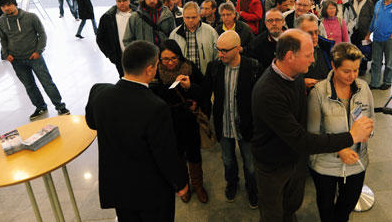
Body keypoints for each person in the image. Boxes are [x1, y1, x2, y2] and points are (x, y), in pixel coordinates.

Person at [251, 29, 374, 222]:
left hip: (294, 159)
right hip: (274, 165)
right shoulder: (268, 93)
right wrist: (350, 137)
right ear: (290, 56)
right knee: (273, 213)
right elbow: (302, 139)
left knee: (291, 206)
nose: (313, 60)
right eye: (308, 55)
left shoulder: (295, 75)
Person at [85, 41, 189, 221]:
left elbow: (92, 123)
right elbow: (165, 153)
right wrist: (180, 183)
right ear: (149, 69)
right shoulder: (156, 107)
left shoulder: (99, 93)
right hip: (151, 192)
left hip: (119, 188)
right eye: (157, 65)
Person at [307, 42, 374, 222]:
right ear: (334, 66)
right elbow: (312, 136)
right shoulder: (318, 93)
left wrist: (368, 132)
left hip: (357, 163)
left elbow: (370, 120)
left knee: (346, 207)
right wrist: (340, 149)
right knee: (326, 208)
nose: (352, 76)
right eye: (346, 71)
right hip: (325, 166)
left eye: (356, 70)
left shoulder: (363, 89)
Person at [202, 31, 261, 208]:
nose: (220, 54)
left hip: (246, 125)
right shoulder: (214, 67)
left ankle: (253, 189)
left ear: (238, 49)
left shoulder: (254, 67)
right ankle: (232, 183)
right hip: (224, 123)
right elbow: (204, 92)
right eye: (218, 49)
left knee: (250, 164)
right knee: (227, 160)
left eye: (225, 50)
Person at [150, 39, 209, 204]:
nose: (170, 63)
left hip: (189, 119)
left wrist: (191, 89)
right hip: (167, 123)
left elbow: (204, 90)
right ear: (159, 59)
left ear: (180, 56)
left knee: (194, 154)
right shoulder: (155, 73)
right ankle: (184, 186)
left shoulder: (189, 67)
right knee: (177, 157)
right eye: (165, 59)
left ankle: (198, 185)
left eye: (174, 58)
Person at [0, 0, 70, 120]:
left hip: (34, 57)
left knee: (47, 82)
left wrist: (39, 51)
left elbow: (42, 34)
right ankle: (40, 107)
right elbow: (3, 38)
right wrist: (6, 53)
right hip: (16, 60)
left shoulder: (30, 17)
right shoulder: (2, 20)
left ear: (15, 4)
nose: (6, 8)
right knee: (29, 86)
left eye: (8, 5)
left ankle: (60, 106)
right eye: (3, 6)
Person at [169, 1, 219, 74]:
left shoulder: (211, 32)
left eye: (193, 17)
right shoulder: (174, 35)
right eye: (187, 17)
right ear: (183, 17)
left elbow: (217, 56)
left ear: (199, 16)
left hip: (205, 76)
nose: (190, 20)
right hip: (182, 77)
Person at [97, 0, 133, 77]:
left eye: (124, 0)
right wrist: (110, 55)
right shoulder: (107, 17)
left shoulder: (138, 14)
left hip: (139, 56)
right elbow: (100, 38)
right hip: (120, 58)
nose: (122, 3)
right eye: (119, 1)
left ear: (129, 1)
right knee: (125, 81)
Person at [297, 14, 334, 89]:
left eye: (316, 32)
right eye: (309, 33)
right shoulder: (290, 53)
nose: (314, 37)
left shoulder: (327, 48)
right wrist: (301, 82)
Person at [343, 0, 374, 75]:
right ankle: (355, 66)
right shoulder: (351, 2)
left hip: (364, 30)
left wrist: (369, 32)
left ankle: (363, 68)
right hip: (354, 30)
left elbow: (372, 17)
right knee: (354, 49)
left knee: (363, 50)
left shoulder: (369, 3)